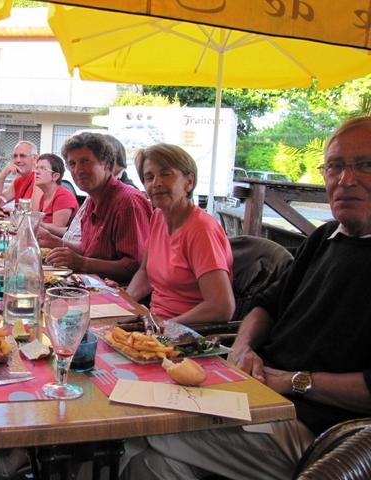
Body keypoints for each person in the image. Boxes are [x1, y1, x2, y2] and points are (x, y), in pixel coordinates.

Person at [121, 116, 371, 480]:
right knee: (152, 461)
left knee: (139, 425)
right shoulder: (325, 238)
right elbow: (265, 304)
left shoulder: (201, 227)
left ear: (187, 180)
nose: (345, 180)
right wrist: (244, 346)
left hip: (316, 429)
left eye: (365, 165)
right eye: (334, 166)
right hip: (253, 390)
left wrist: (292, 380)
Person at [120, 143, 234, 325]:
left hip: (186, 334)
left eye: (166, 174)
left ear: (189, 182)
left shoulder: (201, 229)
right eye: (149, 177)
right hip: (154, 322)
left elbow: (221, 307)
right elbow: (145, 274)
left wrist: (165, 328)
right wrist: (122, 304)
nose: (156, 183)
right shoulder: (158, 216)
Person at [40, 132, 152, 283]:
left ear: (106, 164)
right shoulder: (92, 199)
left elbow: (134, 266)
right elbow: (89, 250)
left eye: (85, 161)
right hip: (92, 285)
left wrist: (82, 263)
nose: (78, 170)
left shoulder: (127, 202)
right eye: (72, 164)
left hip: (118, 295)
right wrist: (55, 241)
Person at [31, 153, 79, 230]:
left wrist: (32, 223)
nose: (37, 172)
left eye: (43, 168)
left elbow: (57, 231)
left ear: (55, 176)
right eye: (37, 168)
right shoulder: (44, 196)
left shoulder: (63, 197)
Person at [0, 140, 38, 207]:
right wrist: (2, 176)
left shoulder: (40, 179)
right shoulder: (18, 181)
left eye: (22, 156)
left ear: (35, 158)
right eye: (15, 156)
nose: (18, 160)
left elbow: (33, 212)